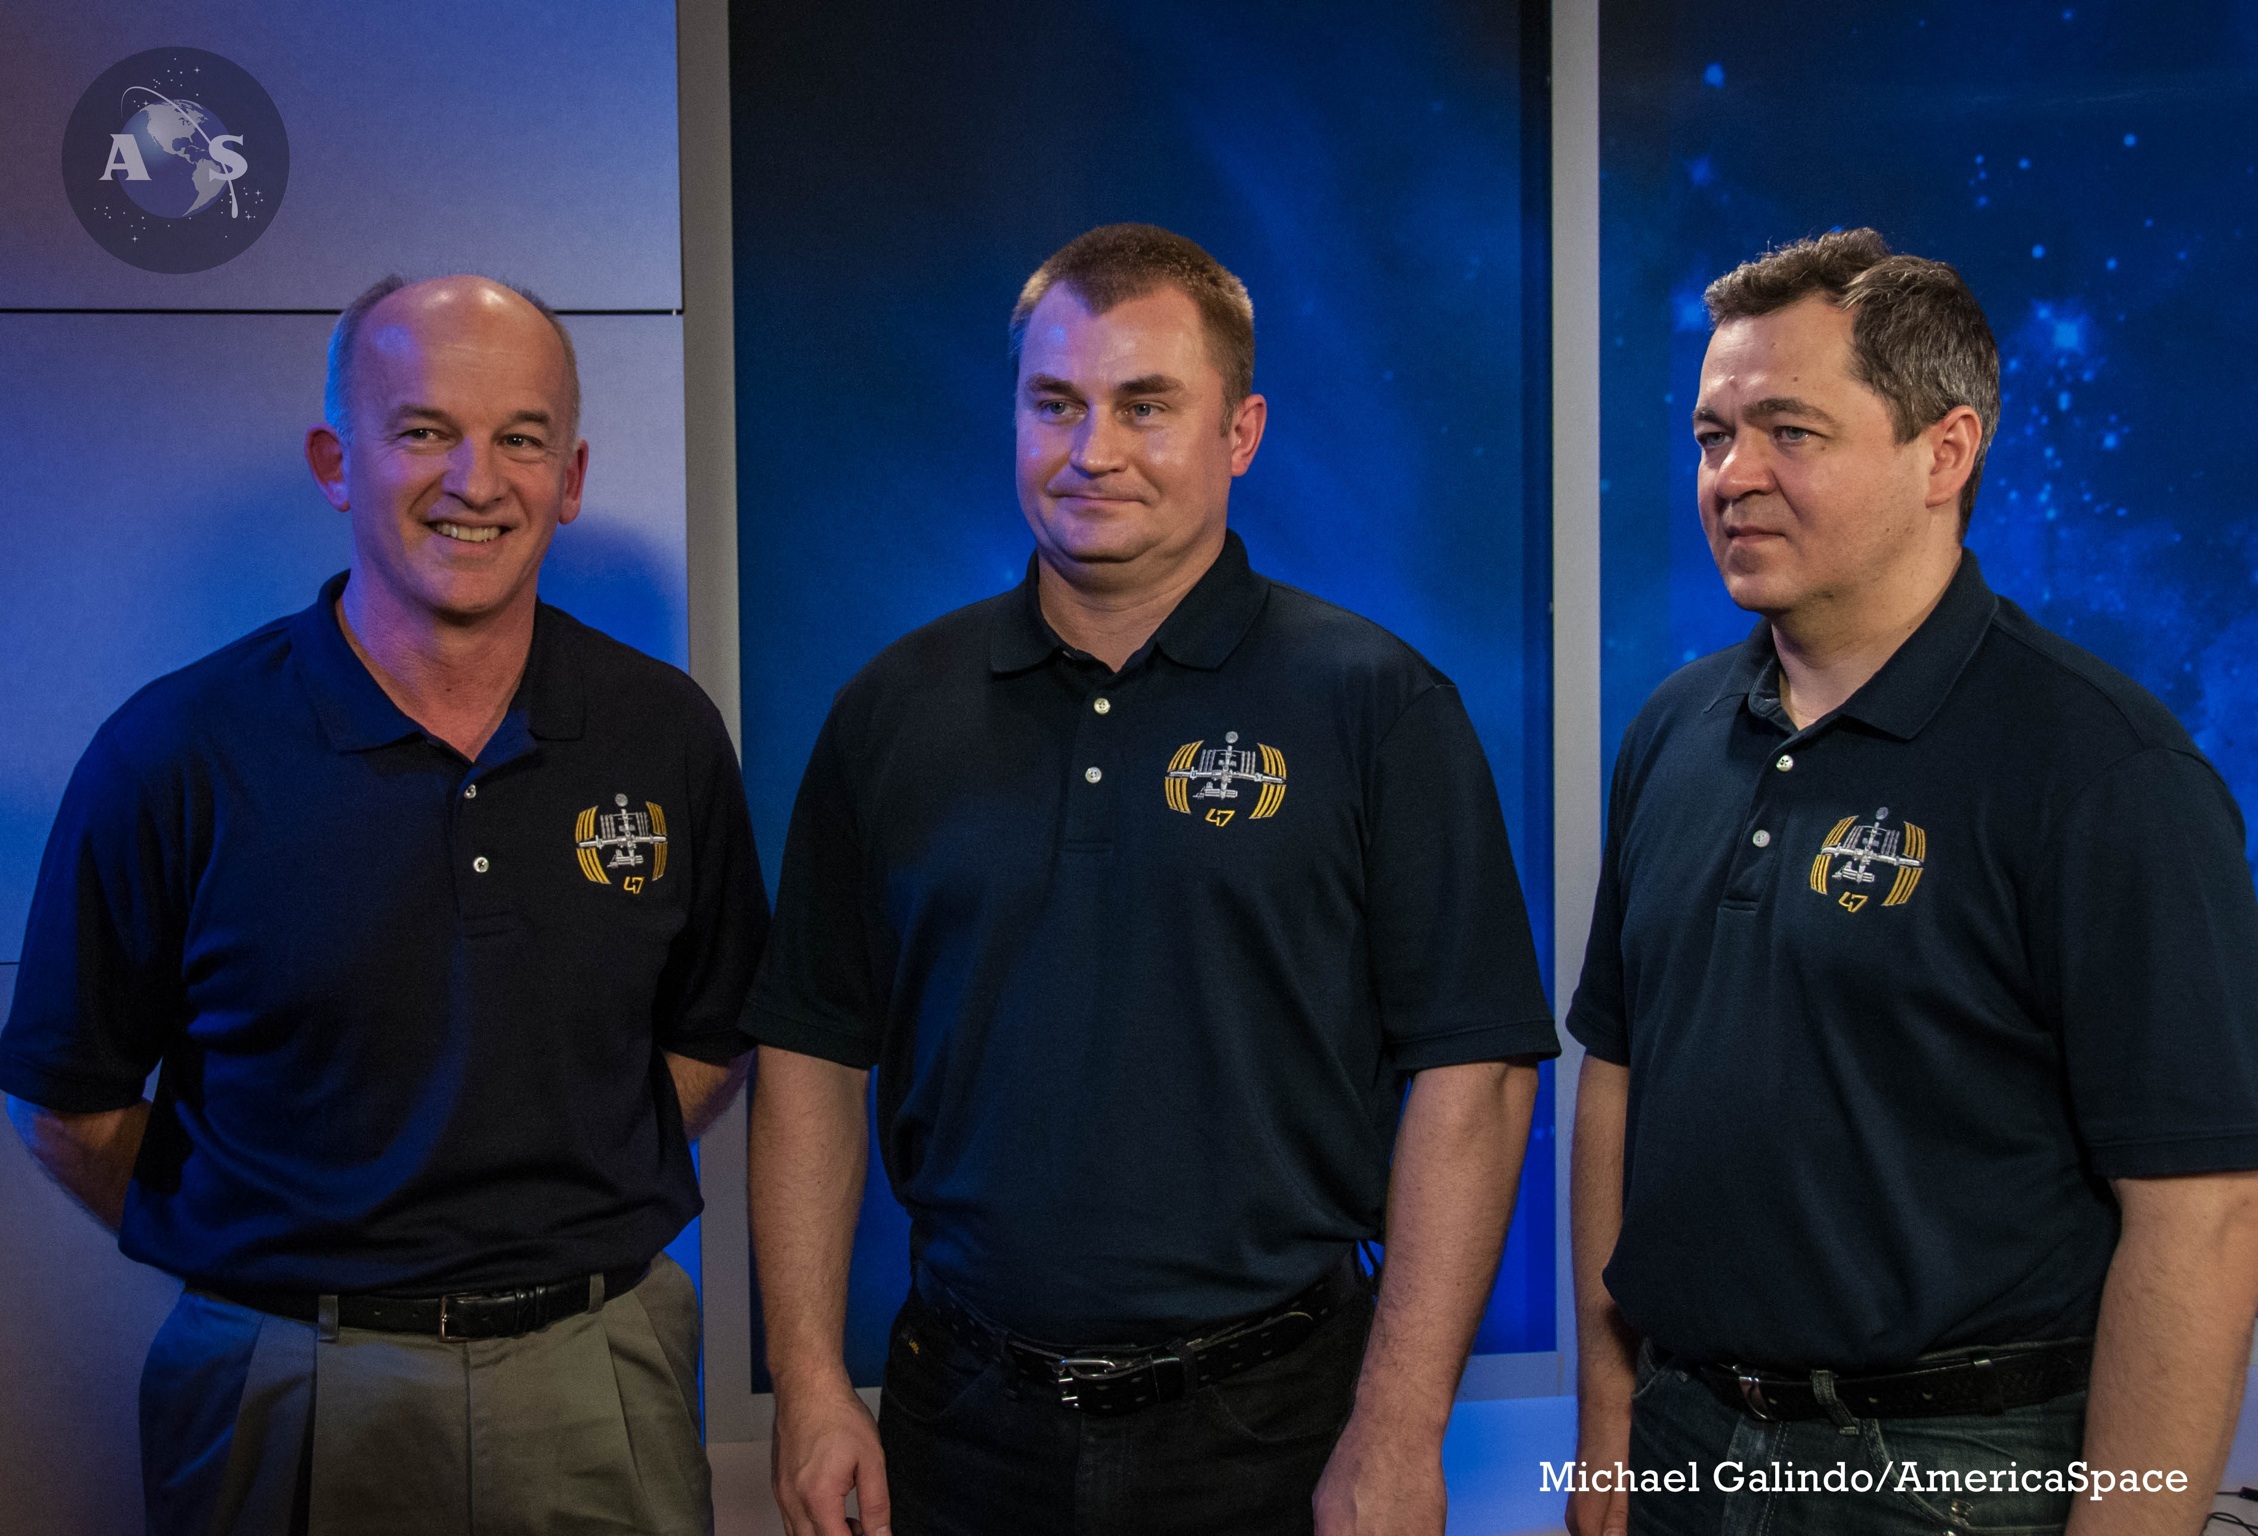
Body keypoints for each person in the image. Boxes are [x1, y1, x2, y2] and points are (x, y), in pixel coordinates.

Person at [746, 223, 1557, 1536]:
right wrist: (802, 1385)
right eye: (1053, 405)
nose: (1093, 452)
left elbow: (1473, 1078)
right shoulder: (891, 711)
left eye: (1145, 407)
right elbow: (809, 1060)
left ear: (1239, 432)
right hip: (958, 1418)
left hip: (1276, 1426)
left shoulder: (1375, 706)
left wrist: (1400, 1423)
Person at [0, 274, 769, 1536]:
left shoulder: (662, 731)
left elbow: (711, 1033)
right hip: (287, 1389)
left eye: (521, 437)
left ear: (569, 479)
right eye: (422, 430)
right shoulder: (177, 752)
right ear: (335, 461)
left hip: (599, 1372)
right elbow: (71, 1111)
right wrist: (289, 1269)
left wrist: (555, 1202)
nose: (476, 478)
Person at [1564, 228, 2258, 1536]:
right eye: (1712, 436)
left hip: (1954, 1476)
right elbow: (1616, 1067)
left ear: (1943, 453)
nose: (1731, 477)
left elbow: (2203, 1217)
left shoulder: (2104, 775)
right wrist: (1608, 1422)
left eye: (1789, 432)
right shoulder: (1670, 731)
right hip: (1684, 1448)